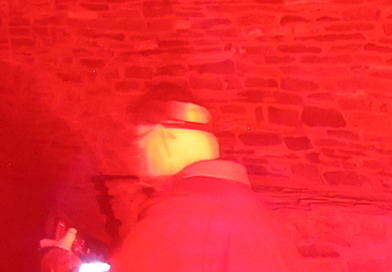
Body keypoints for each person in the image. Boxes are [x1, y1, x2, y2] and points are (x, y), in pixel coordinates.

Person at [105, 95, 299, 272]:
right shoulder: (262, 217)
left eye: (139, 142)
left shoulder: (174, 214)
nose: (136, 157)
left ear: (161, 135)